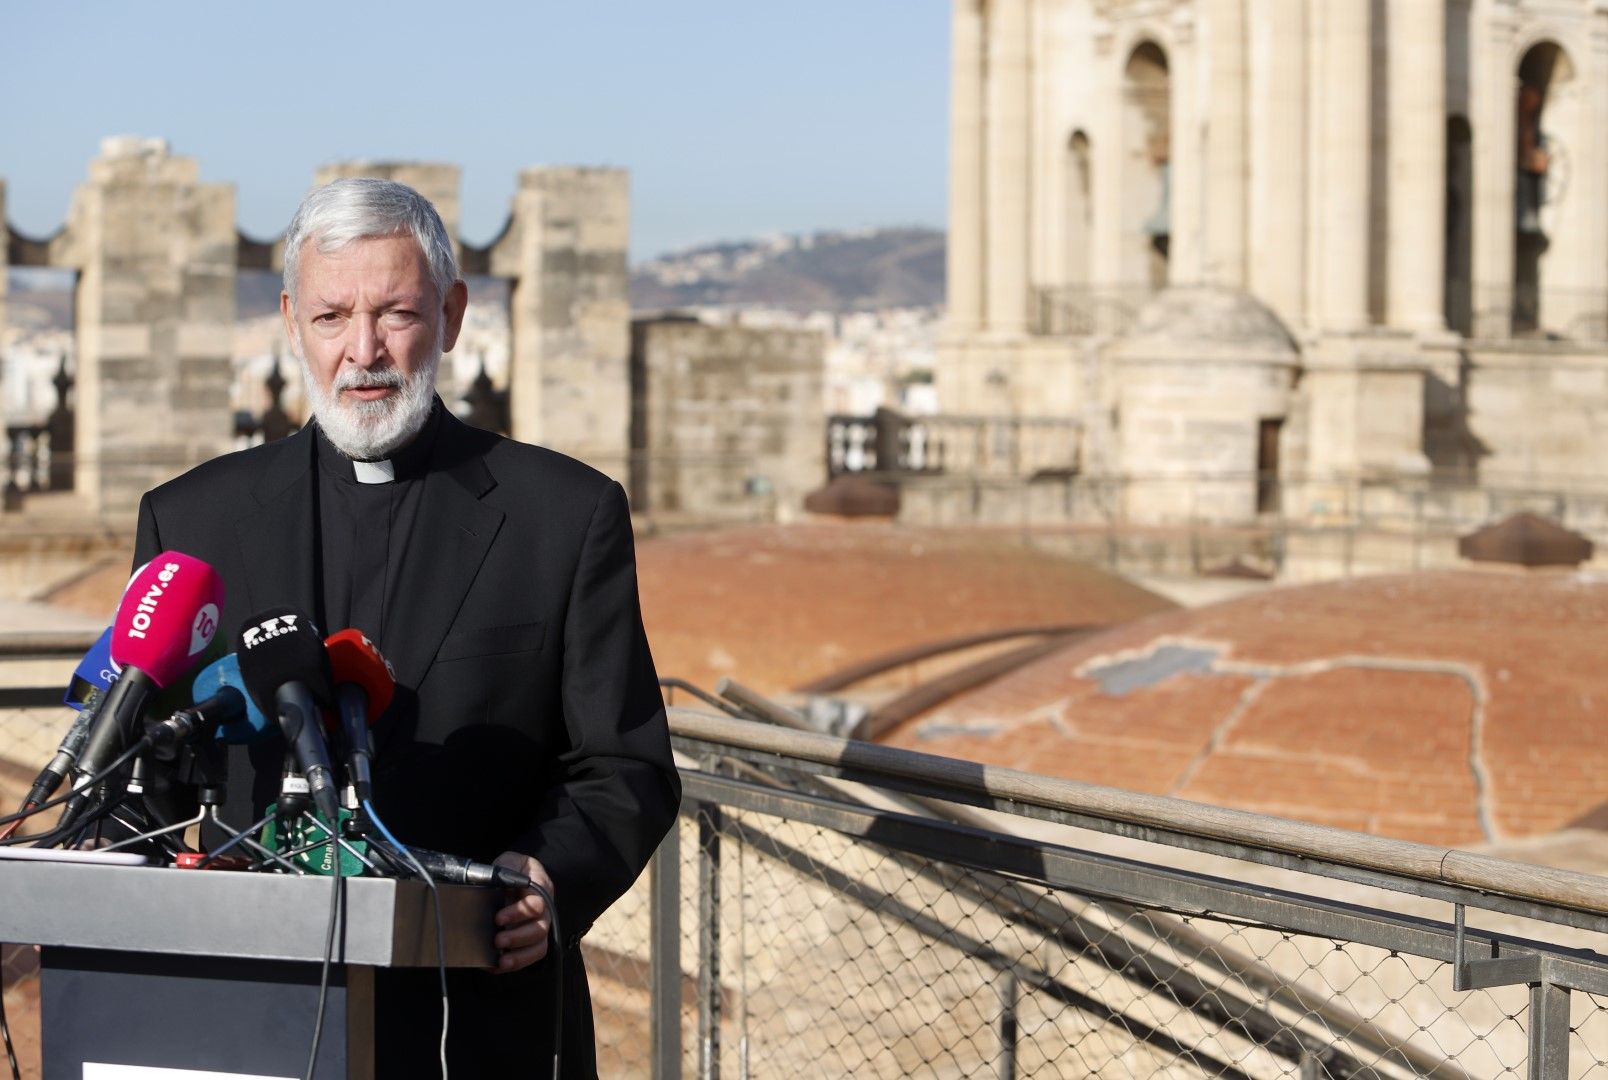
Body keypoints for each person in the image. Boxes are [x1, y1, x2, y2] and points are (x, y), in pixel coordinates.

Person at [132, 178, 680, 1076]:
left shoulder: (564, 516)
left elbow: (624, 765)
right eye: (331, 317)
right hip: (249, 1014)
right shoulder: (190, 524)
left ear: (453, 314)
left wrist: (551, 875)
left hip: (482, 1016)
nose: (363, 351)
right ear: (289, 322)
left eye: (394, 313)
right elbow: (145, 773)